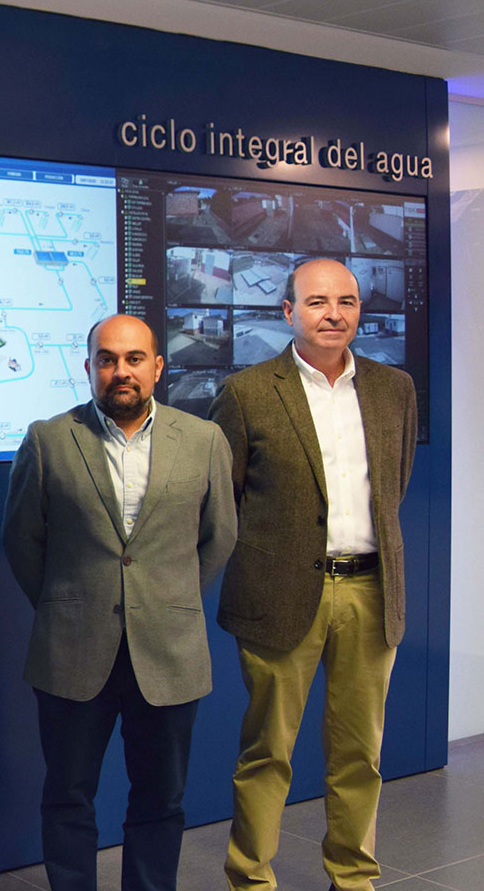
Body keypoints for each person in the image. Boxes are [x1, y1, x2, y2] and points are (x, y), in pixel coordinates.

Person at [2, 314, 237, 891]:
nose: (120, 371)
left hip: (170, 650)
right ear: (88, 369)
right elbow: (22, 540)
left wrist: (167, 598)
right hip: (72, 650)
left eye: (134, 359)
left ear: (158, 367)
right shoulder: (49, 439)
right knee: (68, 796)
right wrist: (67, 604)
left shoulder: (204, 440)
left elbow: (219, 537)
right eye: (107, 359)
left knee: (161, 798)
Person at [213, 258, 417, 891]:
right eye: (318, 302)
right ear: (288, 312)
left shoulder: (393, 389)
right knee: (268, 752)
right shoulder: (248, 392)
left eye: (348, 302)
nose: (335, 314)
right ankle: (251, 879)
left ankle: (353, 877)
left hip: (370, 590)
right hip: (280, 595)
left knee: (361, 753)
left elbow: (395, 484)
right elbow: (226, 498)